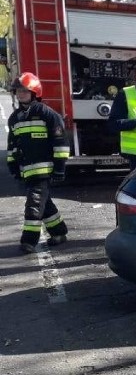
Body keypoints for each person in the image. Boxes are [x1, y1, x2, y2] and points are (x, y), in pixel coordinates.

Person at [6, 72, 70, 254]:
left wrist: (59, 168)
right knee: (45, 203)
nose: (20, 94)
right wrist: (12, 166)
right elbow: (12, 145)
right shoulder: (14, 118)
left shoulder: (47, 114)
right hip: (27, 170)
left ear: (34, 92)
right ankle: (59, 233)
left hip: (45, 170)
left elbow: (60, 143)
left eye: (25, 91)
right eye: (18, 91)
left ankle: (29, 240)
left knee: (34, 204)